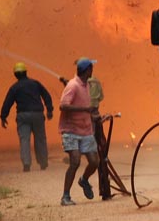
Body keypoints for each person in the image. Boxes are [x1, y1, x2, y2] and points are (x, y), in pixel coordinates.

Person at [58, 57, 100, 206]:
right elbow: (63, 106)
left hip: (85, 130)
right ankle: (65, 196)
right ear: (87, 70)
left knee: (94, 162)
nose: (92, 70)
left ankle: (84, 180)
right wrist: (85, 109)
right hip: (71, 130)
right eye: (91, 68)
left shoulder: (84, 85)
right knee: (75, 161)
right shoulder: (73, 85)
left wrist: (93, 115)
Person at [0, 62, 54, 172]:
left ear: (15, 75)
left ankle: (26, 164)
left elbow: (7, 103)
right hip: (38, 114)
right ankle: (43, 163)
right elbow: (46, 95)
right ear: (26, 72)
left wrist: (3, 116)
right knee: (40, 139)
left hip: (23, 116)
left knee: (24, 139)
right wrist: (49, 110)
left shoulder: (14, 88)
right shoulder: (35, 83)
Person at [88, 75, 113, 200]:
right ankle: (104, 189)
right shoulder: (96, 81)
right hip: (94, 117)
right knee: (101, 153)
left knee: (98, 153)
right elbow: (101, 97)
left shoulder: (80, 83)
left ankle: (102, 187)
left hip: (87, 118)